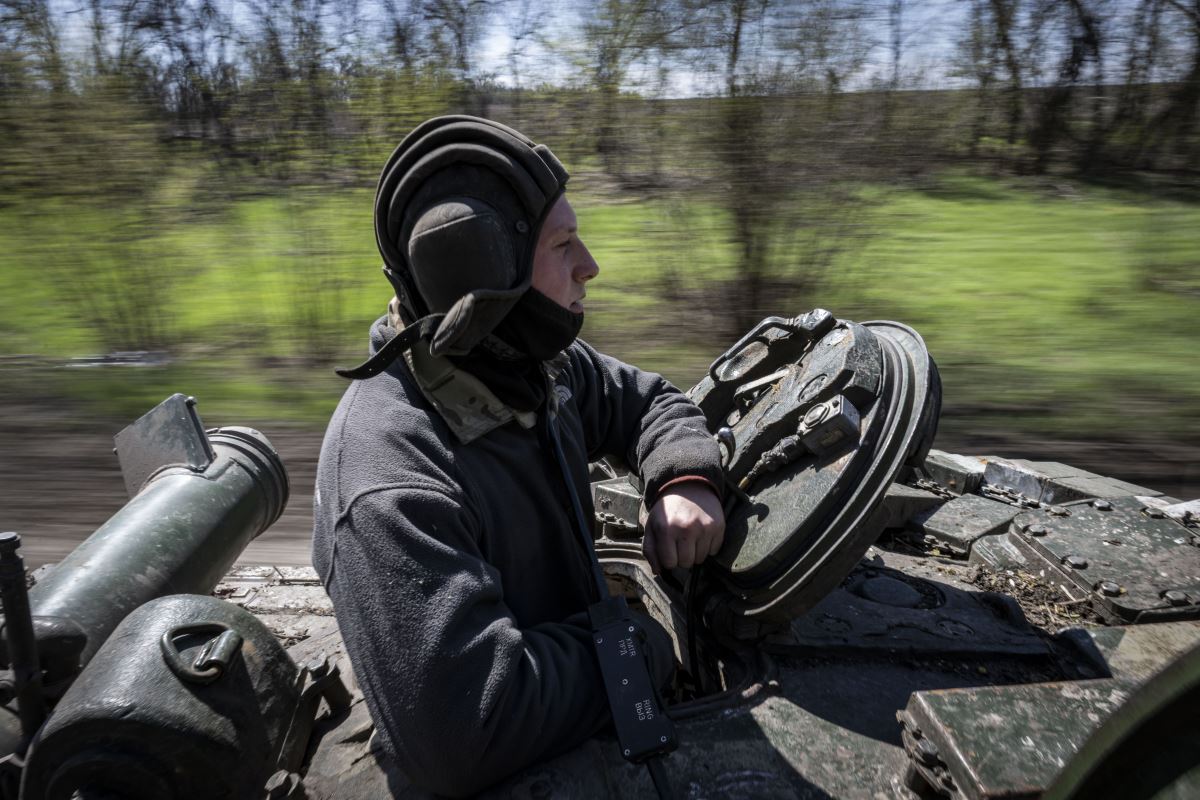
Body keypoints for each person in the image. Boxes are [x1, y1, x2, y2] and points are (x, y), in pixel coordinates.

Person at [311, 116, 726, 797]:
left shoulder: (535, 366)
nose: (590, 264)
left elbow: (645, 399)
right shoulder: (391, 479)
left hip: (577, 721)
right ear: (485, 279)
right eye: (563, 244)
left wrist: (683, 475)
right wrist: (644, 643)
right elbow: (470, 726)